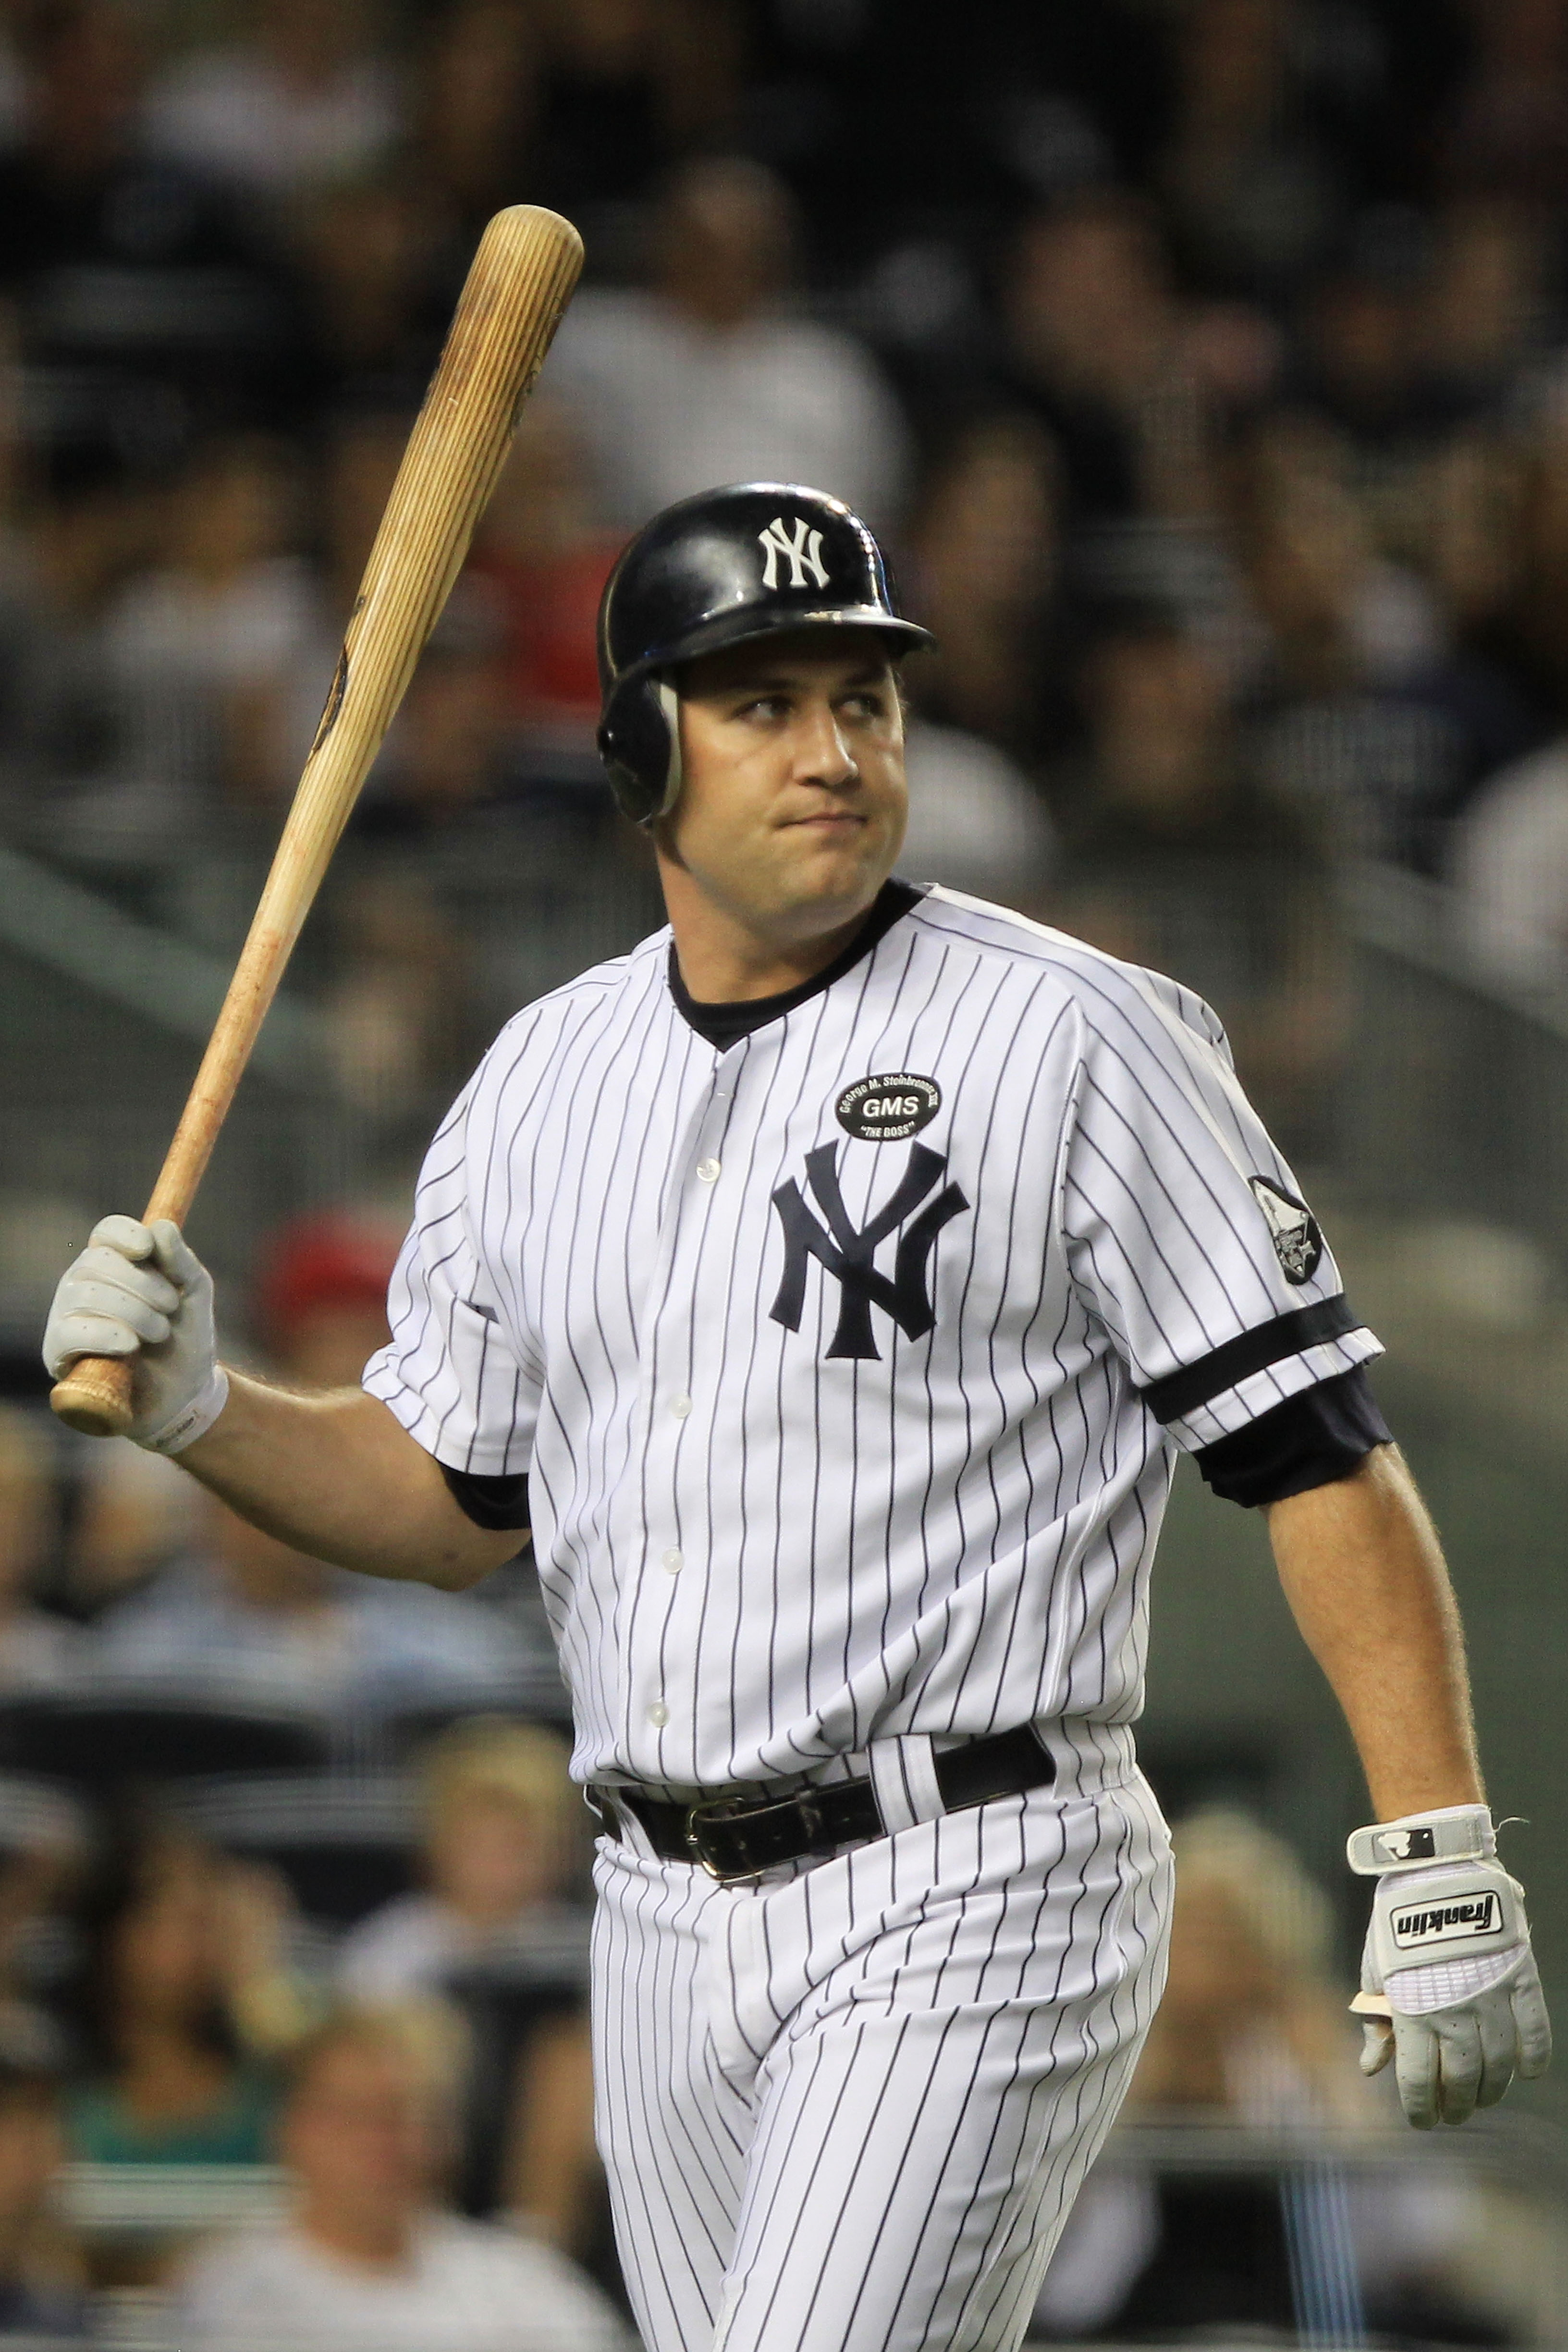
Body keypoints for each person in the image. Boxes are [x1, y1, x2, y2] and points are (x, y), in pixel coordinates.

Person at [44, 481, 1551, 2352]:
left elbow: (1317, 1452)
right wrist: (205, 1406)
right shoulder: (538, 1079)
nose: (833, 748)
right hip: (657, 1908)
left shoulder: (1076, 1035)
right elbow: (448, 1503)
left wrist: (1437, 1847)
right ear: (637, 748)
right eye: (764, 702)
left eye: (867, 699)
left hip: (975, 1869)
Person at [175, 2005, 630, 2349]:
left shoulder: (521, 2279)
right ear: (291, 2129)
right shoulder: (234, 2291)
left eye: (407, 2115)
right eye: (355, 2115)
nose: (382, 2142)